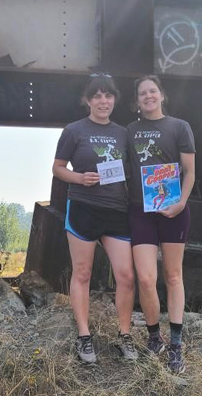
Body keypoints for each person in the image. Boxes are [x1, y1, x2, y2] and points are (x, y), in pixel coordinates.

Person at [52, 73, 138, 364]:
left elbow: (135, 168)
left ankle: (124, 335)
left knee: (126, 276)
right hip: (83, 208)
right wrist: (79, 178)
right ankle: (84, 335)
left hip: (116, 211)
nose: (103, 101)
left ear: (114, 100)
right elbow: (58, 168)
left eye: (108, 95)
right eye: (97, 96)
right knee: (83, 274)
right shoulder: (74, 130)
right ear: (87, 100)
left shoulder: (124, 133)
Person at [127, 75, 195, 374]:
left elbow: (190, 171)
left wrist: (181, 202)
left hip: (174, 209)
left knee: (173, 275)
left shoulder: (179, 127)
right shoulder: (130, 131)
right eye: (142, 93)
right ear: (137, 100)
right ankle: (155, 337)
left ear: (162, 95)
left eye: (152, 91)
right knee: (145, 278)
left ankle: (176, 345)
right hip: (140, 211)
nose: (148, 96)